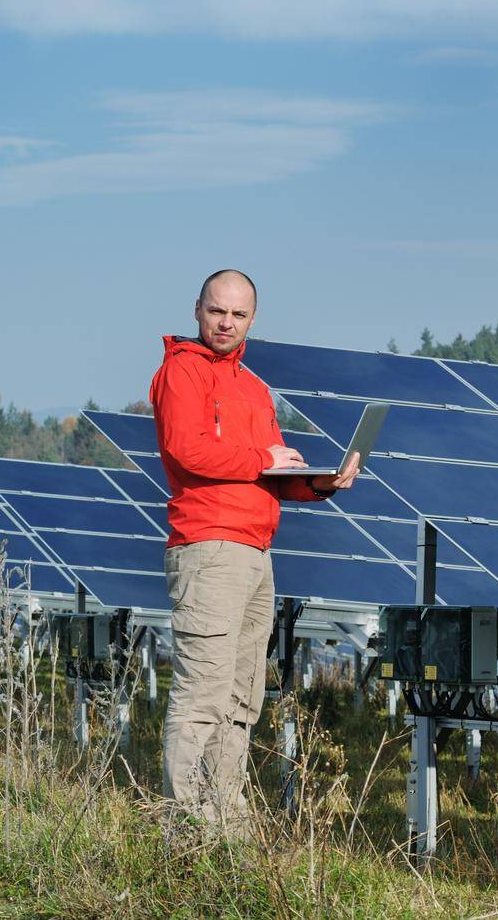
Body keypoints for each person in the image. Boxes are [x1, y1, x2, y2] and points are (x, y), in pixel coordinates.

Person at [150, 269, 359, 828]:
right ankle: (187, 829)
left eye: (238, 315)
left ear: (252, 320)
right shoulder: (181, 372)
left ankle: (227, 820)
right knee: (203, 693)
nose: (226, 322)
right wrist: (262, 461)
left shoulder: (253, 387)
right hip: (209, 545)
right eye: (217, 311)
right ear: (197, 309)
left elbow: (268, 474)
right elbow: (188, 449)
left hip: (256, 551)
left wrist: (318, 482)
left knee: (243, 697)